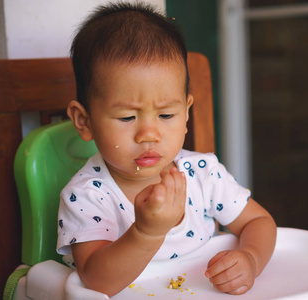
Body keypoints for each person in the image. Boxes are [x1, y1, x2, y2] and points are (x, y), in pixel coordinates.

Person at [56, 2, 276, 297]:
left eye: (166, 115)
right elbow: (98, 281)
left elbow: (259, 222)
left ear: (186, 112)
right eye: (127, 117)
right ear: (84, 122)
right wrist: (146, 232)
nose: (149, 134)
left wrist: (250, 258)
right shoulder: (87, 196)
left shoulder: (202, 175)